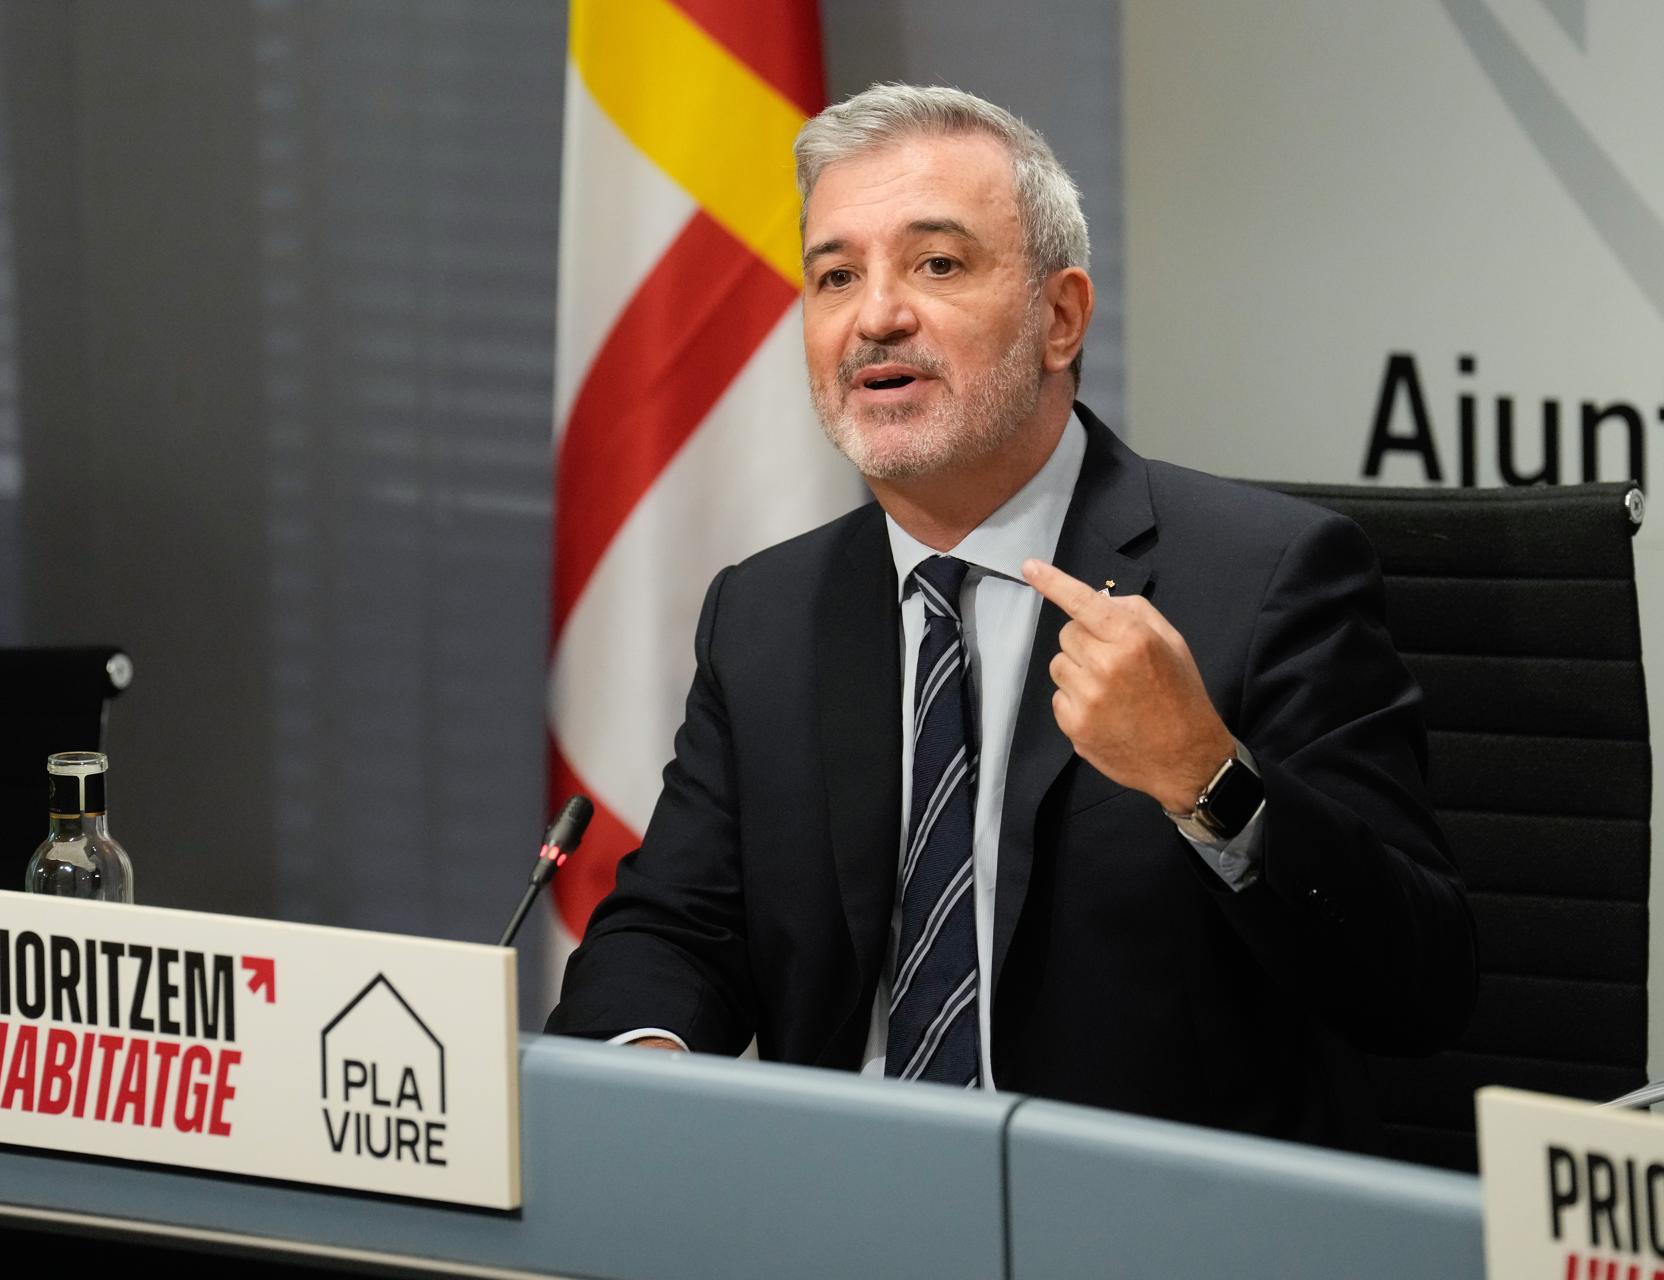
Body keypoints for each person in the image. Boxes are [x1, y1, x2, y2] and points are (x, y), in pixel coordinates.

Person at [545, 83, 1475, 1150]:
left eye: (936, 264)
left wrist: (1206, 778)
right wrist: (651, 1068)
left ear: (1061, 316)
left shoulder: (1265, 579)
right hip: (839, 1215)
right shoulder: (766, 612)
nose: (876, 314)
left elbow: (1422, 987)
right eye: (835, 274)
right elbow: (676, 929)